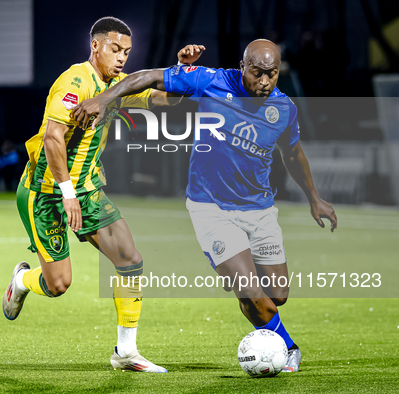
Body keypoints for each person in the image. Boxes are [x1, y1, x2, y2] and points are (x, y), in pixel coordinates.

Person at [70, 39, 338, 373]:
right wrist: (106, 96)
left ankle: (254, 303)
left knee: (277, 295)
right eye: (257, 73)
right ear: (243, 68)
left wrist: (314, 198)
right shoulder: (211, 80)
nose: (265, 82)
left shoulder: (284, 110)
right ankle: (286, 346)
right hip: (210, 207)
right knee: (252, 293)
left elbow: (293, 154)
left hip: (259, 209)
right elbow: (150, 77)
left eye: (272, 74)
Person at [3, 17, 177, 373]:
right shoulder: (75, 81)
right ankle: (21, 281)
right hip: (46, 193)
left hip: (88, 189)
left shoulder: (117, 85)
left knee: (130, 258)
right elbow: (53, 139)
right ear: (95, 45)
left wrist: (184, 71)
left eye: (127, 52)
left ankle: (125, 353)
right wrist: (67, 194)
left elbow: (163, 100)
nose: (122, 58)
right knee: (59, 285)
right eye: (115, 49)